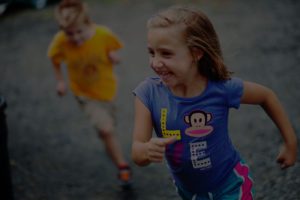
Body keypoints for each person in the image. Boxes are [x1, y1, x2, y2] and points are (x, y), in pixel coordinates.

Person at [131, 5, 297, 199]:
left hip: (230, 184)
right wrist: (146, 150)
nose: (155, 62)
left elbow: (266, 96)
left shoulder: (221, 89)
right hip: (189, 192)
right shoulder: (148, 94)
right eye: (152, 53)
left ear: (196, 53)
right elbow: (137, 152)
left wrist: (290, 142)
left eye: (166, 54)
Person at [47, 0, 131, 188]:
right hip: (84, 94)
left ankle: (107, 140)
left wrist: (114, 57)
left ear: (88, 23)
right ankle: (122, 166)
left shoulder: (103, 34)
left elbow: (115, 50)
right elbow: (54, 58)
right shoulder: (60, 41)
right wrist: (60, 80)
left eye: (79, 32)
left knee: (109, 127)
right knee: (106, 129)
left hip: (107, 90)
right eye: (69, 33)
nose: (75, 38)